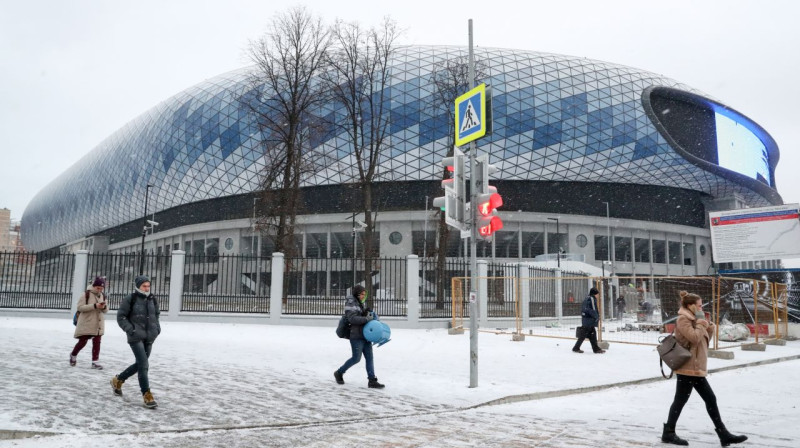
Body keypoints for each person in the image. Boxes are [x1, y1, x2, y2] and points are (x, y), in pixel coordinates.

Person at [661, 291, 747, 446]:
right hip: (687, 368)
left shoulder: (695, 319)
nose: (701, 308)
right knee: (683, 400)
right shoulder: (683, 319)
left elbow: (703, 342)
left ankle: (723, 434)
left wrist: (709, 327)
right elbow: (694, 338)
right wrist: (701, 323)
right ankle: (669, 433)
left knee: (705, 399)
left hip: (696, 368)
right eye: (699, 306)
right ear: (690, 305)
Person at [110, 275, 162, 409]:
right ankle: (147, 395)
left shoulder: (152, 299)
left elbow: (156, 314)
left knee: (140, 363)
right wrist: (131, 329)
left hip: (149, 337)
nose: (147, 288)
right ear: (138, 286)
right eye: (144, 286)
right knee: (144, 365)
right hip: (135, 337)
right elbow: (121, 317)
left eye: (148, 286)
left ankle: (118, 380)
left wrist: (157, 328)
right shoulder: (130, 298)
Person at [333, 285, 385, 389]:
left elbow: (360, 315)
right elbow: (352, 319)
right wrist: (366, 319)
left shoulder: (359, 303)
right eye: (362, 294)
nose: (363, 296)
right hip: (356, 336)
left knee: (369, 358)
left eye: (364, 294)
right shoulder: (350, 303)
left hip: (365, 335)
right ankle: (339, 372)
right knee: (356, 358)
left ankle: (372, 380)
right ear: (356, 294)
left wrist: (366, 312)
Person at [70, 276, 108, 369]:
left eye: (101, 288)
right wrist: (94, 306)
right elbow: (80, 307)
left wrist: (103, 307)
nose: (100, 290)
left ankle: (95, 362)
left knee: (97, 342)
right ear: (94, 286)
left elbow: (106, 310)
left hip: (98, 323)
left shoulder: (102, 295)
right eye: (98, 288)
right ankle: (73, 354)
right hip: (87, 322)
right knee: (82, 341)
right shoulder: (86, 294)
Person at [572, 287, 605, 354]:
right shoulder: (592, 299)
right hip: (589, 320)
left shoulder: (587, 298)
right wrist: (596, 316)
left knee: (592, 334)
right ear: (594, 294)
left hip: (587, 320)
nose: (598, 296)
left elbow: (585, 309)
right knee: (585, 335)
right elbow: (592, 309)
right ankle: (576, 348)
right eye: (597, 294)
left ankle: (595, 349)